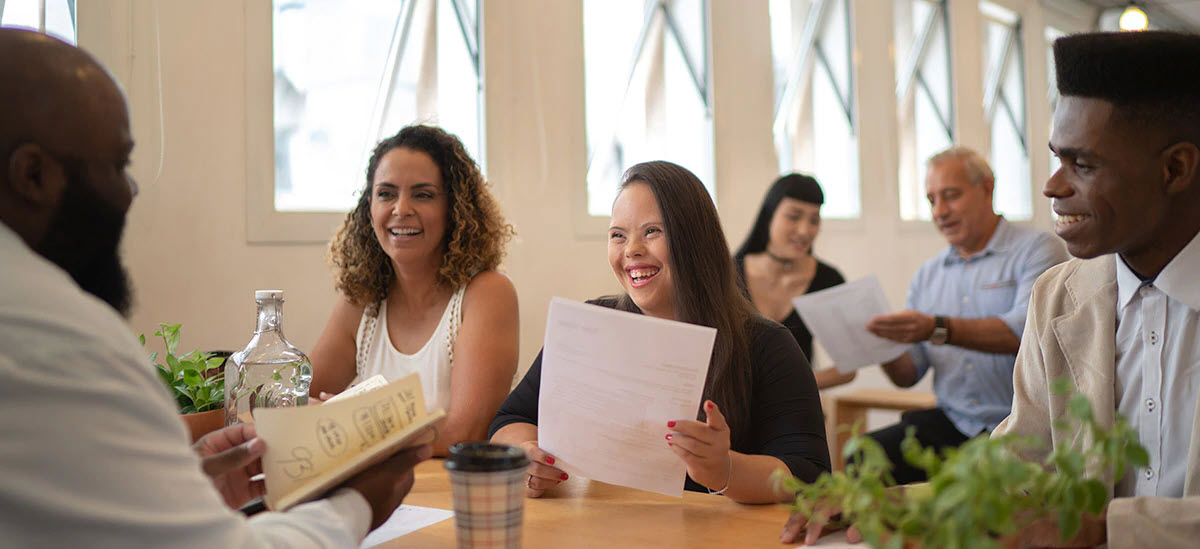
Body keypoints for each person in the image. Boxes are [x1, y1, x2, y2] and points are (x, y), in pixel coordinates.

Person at [0, 28, 429, 547]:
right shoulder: (52, 340)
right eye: (117, 165)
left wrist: (179, 482)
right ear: (33, 175)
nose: (130, 191)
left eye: (422, 195)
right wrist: (358, 501)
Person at [489, 161, 830, 504]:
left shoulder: (767, 345)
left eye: (652, 231)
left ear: (696, 240)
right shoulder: (590, 325)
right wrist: (524, 455)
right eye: (618, 235)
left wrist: (724, 469)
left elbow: (808, 473)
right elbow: (512, 418)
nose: (631, 249)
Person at [989, 31, 1200, 548]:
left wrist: (1109, 529)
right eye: (1057, 158)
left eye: (1083, 164)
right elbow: (1023, 458)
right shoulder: (1058, 296)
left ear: (1175, 168)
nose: (1054, 186)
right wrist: (904, 502)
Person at [309, 125, 519, 457]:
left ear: (455, 209)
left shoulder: (488, 294)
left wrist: (353, 422)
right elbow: (297, 402)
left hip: (448, 497)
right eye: (386, 193)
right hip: (375, 495)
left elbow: (464, 432)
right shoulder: (360, 300)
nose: (401, 209)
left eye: (423, 194)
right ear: (369, 207)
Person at [861, 147, 1068, 484]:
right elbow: (908, 373)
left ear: (987, 189)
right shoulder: (928, 275)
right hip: (953, 424)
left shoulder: (1037, 249)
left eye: (951, 196)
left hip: (1018, 426)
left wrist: (935, 327)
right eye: (931, 201)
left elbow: (1025, 334)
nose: (940, 212)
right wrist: (877, 344)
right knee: (863, 454)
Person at [734, 173, 855, 389]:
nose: (804, 230)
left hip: (796, 408)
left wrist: (790, 387)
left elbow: (847, 368)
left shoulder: (828, 280)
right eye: (793, 216)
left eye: (814, 220)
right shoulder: (728, 275)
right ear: (769, 215)